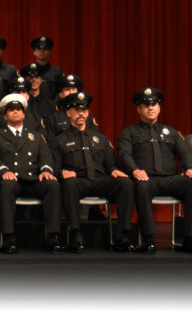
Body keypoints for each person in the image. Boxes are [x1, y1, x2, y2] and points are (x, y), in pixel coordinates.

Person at [117, 87, 192, 253]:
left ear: (159, 107)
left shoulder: (171, 132)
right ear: (139, 109)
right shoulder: (129, 132)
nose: (150, 107)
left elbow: (185, 153)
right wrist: (134, 170)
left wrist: (190, 168)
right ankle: (148, 240)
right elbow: (124, 154)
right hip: (147, 179)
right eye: (146, 105)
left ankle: (191, 239)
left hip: (170, 179)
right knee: (141, 186)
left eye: (154, 104)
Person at [49, 92, 135, 253]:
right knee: (69, 182)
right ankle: (75, 234)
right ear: (69, 113)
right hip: (77, 181)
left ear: (88, 113)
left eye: (84, 110)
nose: (81, 113)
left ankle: (123, 235)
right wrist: (63, 172)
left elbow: (111, 165)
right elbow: (54, 167)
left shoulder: (100, 139)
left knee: (125, 182)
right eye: (77, 110)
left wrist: (115, 171)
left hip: (99, 181)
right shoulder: (59, 140)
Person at [0, 94, 63, 253]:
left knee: (52, 185)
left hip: (33, 179)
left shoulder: (36, 137)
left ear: (24, 114)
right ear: (5, 115)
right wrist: (4, 171)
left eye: (18, 109)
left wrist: (45, 170)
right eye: (11, 110)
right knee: (6, 186)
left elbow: (46, 157)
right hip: (12, 180)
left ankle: (53, 236)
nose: (15, 112)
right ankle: (9, 237)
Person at [43, 74, 100, 138]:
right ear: (61, 94)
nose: (71, 93)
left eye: (73, 89)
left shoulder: (88, 118)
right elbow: (50, 143)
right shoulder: (53, 118)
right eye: (67, 89)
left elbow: (96, 139)